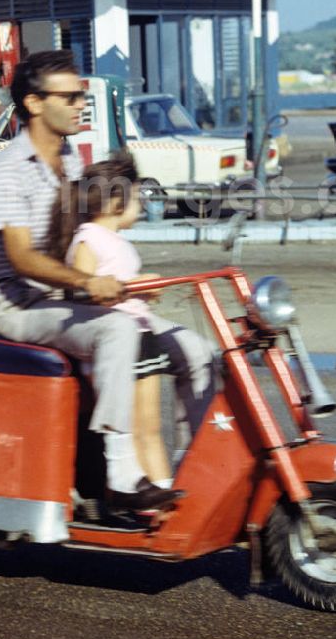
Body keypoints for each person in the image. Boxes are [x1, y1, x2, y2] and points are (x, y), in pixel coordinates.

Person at [0, 50, 178, 514]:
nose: (79, 105)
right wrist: (90, 283)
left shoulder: (69, 158)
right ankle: (123, 473)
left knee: (186, 345)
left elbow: (89, 233)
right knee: (118, 329)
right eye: (68, 97)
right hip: (20, 307)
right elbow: (21, 256)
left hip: (61, 299)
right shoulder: (8, 169)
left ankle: (172, 474)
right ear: (33, 103)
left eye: (81, 96)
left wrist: (124, 278)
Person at [52, 152, 217, 484]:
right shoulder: (87, 239)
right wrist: (131, 288)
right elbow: (83, 291)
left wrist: (140, 289)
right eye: (137, 198)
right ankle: (145, 495)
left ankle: (165, 492)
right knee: (140, 428)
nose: (141, 205)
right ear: (115, 201)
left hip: (142, 336)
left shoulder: (114, 239)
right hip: (121, 344)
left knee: (150, 428)